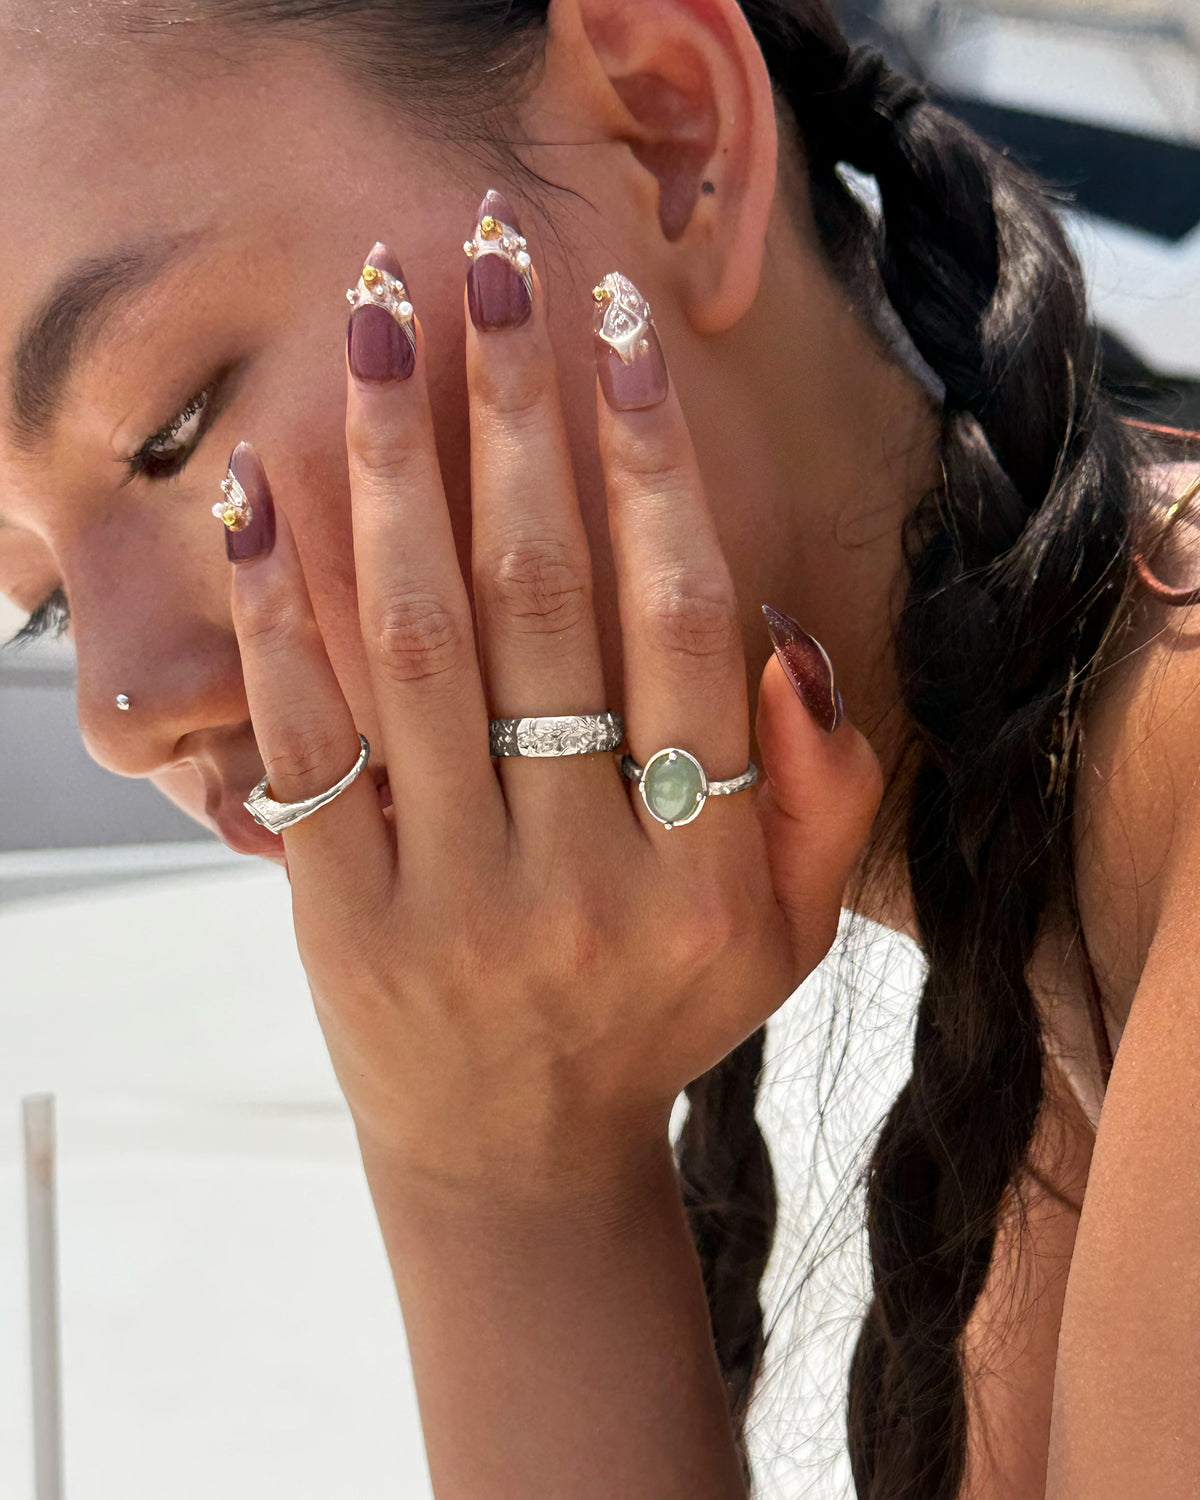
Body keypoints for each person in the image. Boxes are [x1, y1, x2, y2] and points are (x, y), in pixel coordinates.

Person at [1, 1, 1196, 1495]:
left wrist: (503, 1193)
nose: (114, 707)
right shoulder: (1047, 1011)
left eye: (171, 428)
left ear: (667, 128)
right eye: (41, 607)